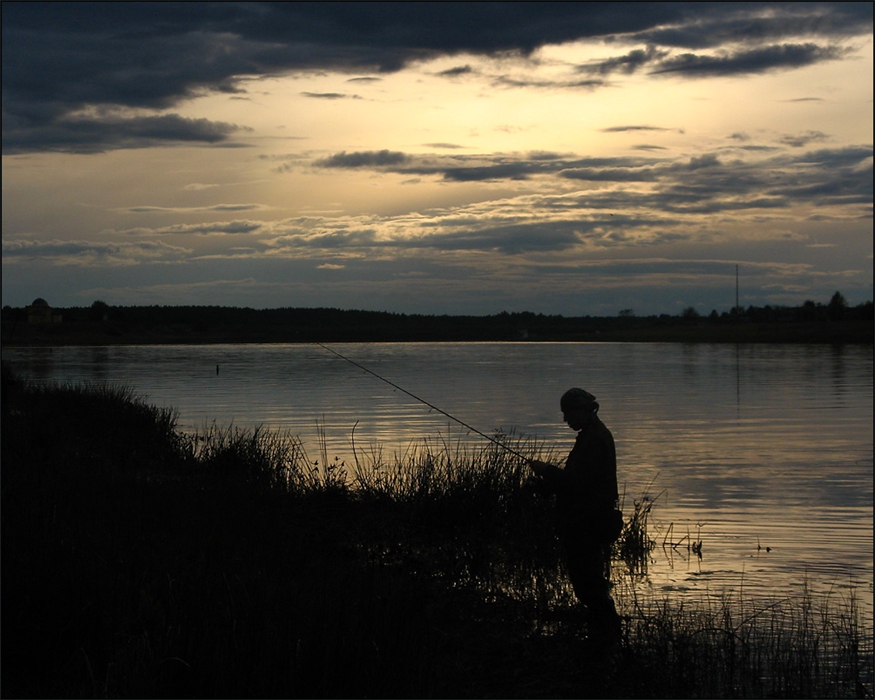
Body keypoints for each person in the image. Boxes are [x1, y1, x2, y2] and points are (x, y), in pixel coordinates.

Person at [528, 387, 622, 641]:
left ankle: (606, 634)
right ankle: (605, 632)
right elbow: (576, 482)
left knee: (588, 584)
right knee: (588, 582)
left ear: (583, 410)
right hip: (585, 521)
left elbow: (576, 483)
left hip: (587, 523)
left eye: (568, 413)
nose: (566, 419)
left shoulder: (594, 439)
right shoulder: (591, 435)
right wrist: (545, 486)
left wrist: (546, 471)